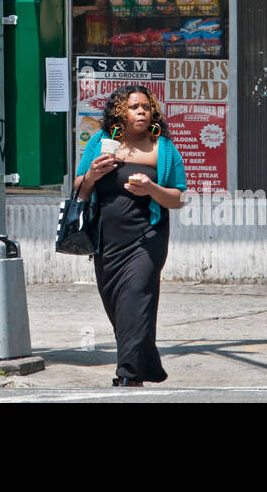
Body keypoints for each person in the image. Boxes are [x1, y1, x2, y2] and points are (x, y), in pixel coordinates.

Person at [75, 84, 187, 386]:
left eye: (146, 107)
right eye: (134, 107)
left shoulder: (162, 148)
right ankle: (147, 364)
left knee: (136, 299)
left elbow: (177, 199)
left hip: (146, 240)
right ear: (118, 112)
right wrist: (92, 176)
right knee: (117, 305)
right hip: (106, 241)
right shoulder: (102, 141)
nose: (141, 111)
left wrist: (151, 189)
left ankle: (129, 374)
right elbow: (79, 188)